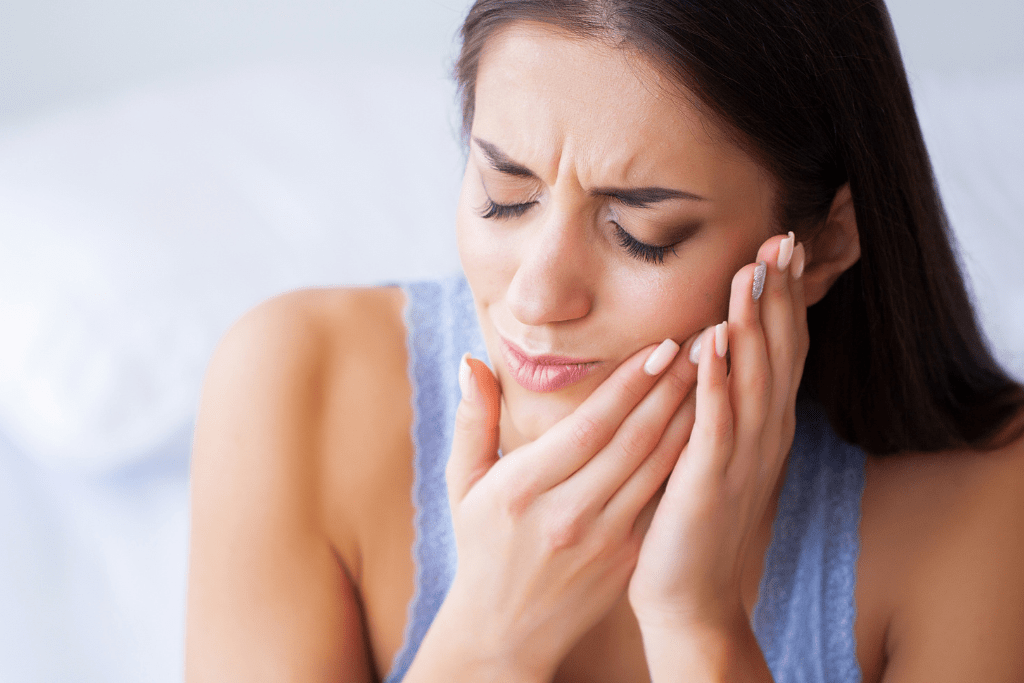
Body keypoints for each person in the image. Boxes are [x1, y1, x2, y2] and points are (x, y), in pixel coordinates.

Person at [184, 0, 1024, 681]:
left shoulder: (981, 501)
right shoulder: (299, 383)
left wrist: (698, 625)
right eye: (505, 195)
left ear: (826, 243)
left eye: (642, 232)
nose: (537, 294)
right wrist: (490, 639)